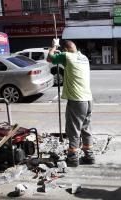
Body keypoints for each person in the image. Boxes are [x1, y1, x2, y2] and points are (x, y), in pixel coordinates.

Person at [47, 39, 95, 167]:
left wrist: (54, 46)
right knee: (86, 128)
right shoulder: (83, 57)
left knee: (73, 129)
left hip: (77, 100)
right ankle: (89, 156)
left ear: (66, 50)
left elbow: (49, 58)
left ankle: (73, 157)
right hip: (88, 99)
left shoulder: (67, 56)